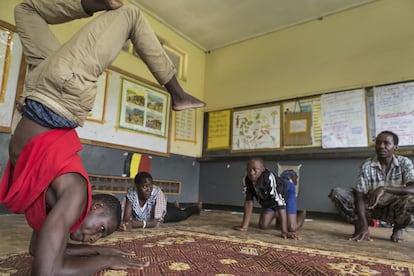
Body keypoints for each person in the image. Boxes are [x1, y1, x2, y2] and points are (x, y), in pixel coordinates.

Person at [0, 0, 205, 274]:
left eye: (100, 236)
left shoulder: (58, 206)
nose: (94, 237)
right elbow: (46, 270)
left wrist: (98, 250)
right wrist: (104, 260)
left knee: (25, 10)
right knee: (130, 14)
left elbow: (38, 251)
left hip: (40, 87)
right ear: (94, 206)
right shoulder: (73, 196)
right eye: (101, 229)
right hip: (61, 92)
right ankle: (177, 93)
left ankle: (93, 3)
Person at [329, 130, 414, 243]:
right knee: (338, 193)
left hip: (393, 208)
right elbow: (359, 196)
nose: (381, 146)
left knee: (411, 199)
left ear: (396, 147)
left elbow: (412, 188)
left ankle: (398, 228)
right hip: (370, 206)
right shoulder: (367, 165)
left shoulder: (404, 162)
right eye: (378, 143)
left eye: (386, 143)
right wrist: (364, 225)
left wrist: (384, 188)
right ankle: (359, 225)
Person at [233, 157, 306, 239]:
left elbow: (280, 202)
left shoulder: (270, 179)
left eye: (255, 169)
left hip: (286, 193)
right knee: (263, 225)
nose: (251, 172)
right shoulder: (247, 179)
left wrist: (284, 231)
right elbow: (249, 202)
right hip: (270, 199)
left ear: (263, 169)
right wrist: (244, 227)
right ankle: (279, 215)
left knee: (292, 228)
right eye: (248, 169)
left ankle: (302, 213)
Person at [119, 172, 202, 230]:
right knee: (172, 208)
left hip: (163, 213)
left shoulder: (156, 192)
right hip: (157, 207)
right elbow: (126, 218)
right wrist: (125, 224)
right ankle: (174, 205)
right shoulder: (131, 192)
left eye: (150, 187)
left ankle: (195, 208)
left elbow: (155, 223)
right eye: (145, 187)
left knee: (183, 215)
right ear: (136, 187)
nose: (149, 190)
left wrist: (134, 224)